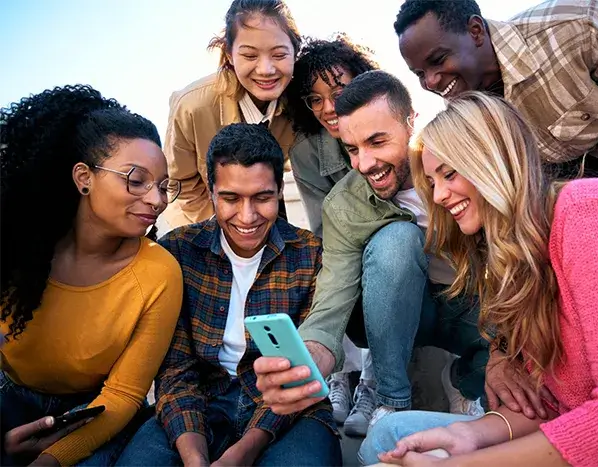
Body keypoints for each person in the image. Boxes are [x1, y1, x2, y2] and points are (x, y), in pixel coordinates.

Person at [360, 93, 598, 467]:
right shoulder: (515, 260)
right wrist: (467, 435)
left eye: (449, 174)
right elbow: (555, 405)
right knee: (390, 435)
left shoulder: (595, 217)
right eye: (431, 182)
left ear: (492, 162)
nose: (438, 196)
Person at [254, 71, 537, 433]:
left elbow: (509, 261)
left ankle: (464, 380)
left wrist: (501, 348)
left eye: (377, 142)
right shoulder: (343, 203)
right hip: (387, 309)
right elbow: (332, 298)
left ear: (411, 123)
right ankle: (392, 404)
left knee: (518, 379)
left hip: (466, 302)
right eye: (352, 149)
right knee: (397, 240)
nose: (364, 163)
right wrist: (312, 355)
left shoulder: (459, 167)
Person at [116, 123, 341, 467]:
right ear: (211, 191)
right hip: (200, 401)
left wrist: (243, 452)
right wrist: (195, 458)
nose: (247, 216)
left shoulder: (310, 255)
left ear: (280, 190)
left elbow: (295, 378)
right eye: (231, 198)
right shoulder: (178, 251)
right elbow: (175, 372)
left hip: (290, 411)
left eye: (263, 198)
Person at [0, 85, 183, 466]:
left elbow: (123, 395)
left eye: (164, 187)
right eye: (136, 180)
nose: (156, 200)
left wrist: (50, 459)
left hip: (91, 414)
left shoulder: (159, 273)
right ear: (84, 177)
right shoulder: (17, 245)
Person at [394, 0, 598, 223]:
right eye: (419, 73)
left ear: (475, 31)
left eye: (438, 60)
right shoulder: (463, 99)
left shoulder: (574, 28)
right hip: (572, 164)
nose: (431, 82)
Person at [285, 34, 379, 435]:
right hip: (341, 246)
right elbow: (324, 227)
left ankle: (374, 385)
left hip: (387, 245)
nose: (328, 108)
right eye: (315, 99)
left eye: (338, 91)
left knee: (387, 255)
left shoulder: (389, 121)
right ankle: (339, 376)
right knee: (317, 258)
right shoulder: (307, 151)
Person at [160, 0, 300, 232]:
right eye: (249, 55)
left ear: (295, 53)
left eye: (279, 55)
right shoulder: (193, 106)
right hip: (194, 220)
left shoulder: (301, 104)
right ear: (229, 54)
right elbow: (179, 184)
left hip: (262, 218)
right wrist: (224, 228)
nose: (266, 69)